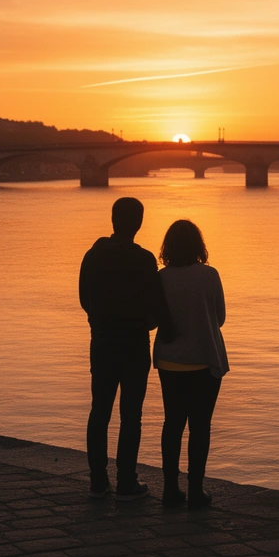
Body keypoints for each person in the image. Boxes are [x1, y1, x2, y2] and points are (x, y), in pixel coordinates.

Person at [79, 197, 174, 500]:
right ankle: (126, 481)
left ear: (113, 220)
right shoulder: (144, 259)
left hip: (102, 342)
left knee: (100, 411)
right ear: (139, 223)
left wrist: (99, 320)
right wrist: (147, 323)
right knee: (131, 414)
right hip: (133, 344)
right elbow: (157, 307)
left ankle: (97, 480)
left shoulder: (92, 256)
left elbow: (84, 299)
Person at [153, 219, 228, 510]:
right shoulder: (210, 276)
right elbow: (219, 318)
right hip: (204, 359)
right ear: (199, 245)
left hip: (170, 362)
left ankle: (170, 489)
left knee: (173, 424)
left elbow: (154, 318)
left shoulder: (161, 278)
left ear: (167, 247)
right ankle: (196, 489)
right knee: (200, 426)